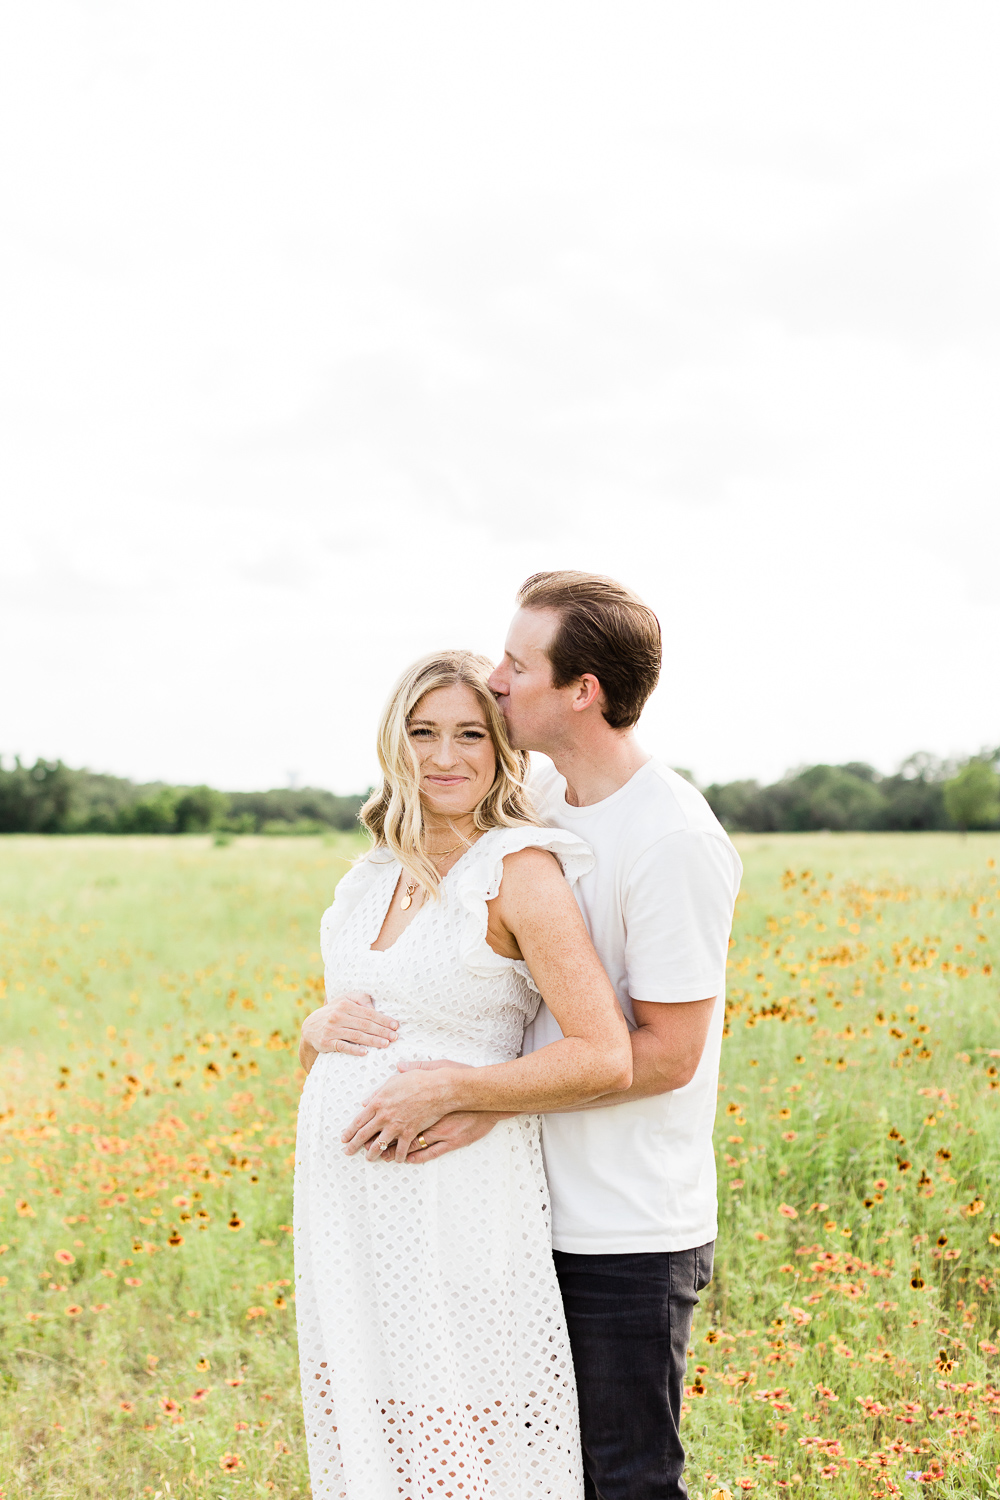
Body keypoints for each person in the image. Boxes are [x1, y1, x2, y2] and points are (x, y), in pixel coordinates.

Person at [315, 573, 742, 1500]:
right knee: (521, 1466)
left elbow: (664, 1055)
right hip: (517, 1203)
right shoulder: (538, 800)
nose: (496, 680)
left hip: (625, 1221)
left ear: (582, 689)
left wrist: (470, 1094)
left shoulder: (671, 838)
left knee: (621, 1478)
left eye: (516, 663)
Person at [294, 648, 632, 1500]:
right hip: (346, 1213)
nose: (445, 757)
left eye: (470, 734)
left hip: (457, 1202)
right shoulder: (365, 879)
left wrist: (458, 1090)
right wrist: (313, 1028)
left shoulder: (518, 871)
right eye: (423, 733)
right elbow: (336, 1052)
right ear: (393, 744)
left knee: (462, 1437)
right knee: (376, 1432)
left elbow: (603, 1052)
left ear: (500, 749)